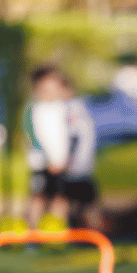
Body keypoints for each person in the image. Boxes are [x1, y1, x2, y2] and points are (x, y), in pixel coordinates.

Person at [23, 66, 70, 229]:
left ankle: (57, 232)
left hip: (60, 163)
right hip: (42, 163)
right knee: (38, 197)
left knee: (60, 197)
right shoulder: (35, 110)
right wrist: (51, 159)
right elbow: (37, 137)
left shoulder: (61, 108)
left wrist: (64, 159)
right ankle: (32, 234)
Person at [60, 75, 100, 229]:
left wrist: (68, 158)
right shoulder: (81, 106)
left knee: (78, 204)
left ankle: (90, 236)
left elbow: (74, 136)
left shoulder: (71, 108)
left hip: (76, 167)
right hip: (81, 166)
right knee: (85, 205)